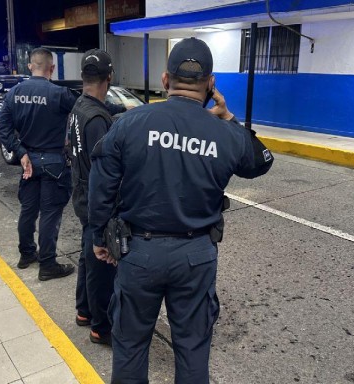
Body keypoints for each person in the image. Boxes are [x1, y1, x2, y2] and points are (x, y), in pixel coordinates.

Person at [88, 37, 274, 383]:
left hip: (138, 252)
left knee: (129, 347)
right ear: (211, 83)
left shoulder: (129, 123)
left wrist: (100, 237)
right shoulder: (225, 134)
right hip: (196, 256)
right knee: (192, 349)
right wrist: (228, 117)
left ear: (164, 80)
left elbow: (101, 188)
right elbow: (261, 161)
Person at [0, 47, 76, 281]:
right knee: (50, 213)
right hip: (54, 161)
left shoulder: (14, 93)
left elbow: (3, 129)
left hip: (28, 162)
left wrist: (20, 151)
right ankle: (48, 264)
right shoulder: (59, 94)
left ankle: (26, 255)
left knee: (28, 210)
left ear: (30, 66)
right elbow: (85, 109)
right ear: (51, 68)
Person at [68, 49, 117, 345]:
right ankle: (102, 326)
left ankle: (84, 310)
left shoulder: (78, 107)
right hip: (94, 197)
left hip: (80, 193)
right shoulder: (97, 118)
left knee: (88, 255)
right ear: (109, 77)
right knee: (100, 262)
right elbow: (106, 169)